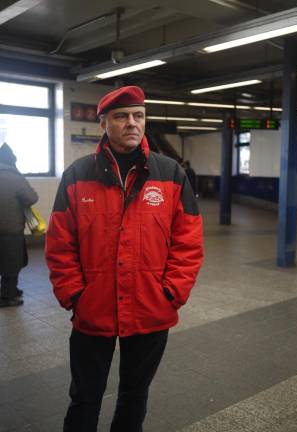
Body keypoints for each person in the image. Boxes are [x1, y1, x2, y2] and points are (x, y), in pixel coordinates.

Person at [45, 85, 204, 432]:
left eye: (138, 116)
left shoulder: (172, 175)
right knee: (85, 396)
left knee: (135, 395)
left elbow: (188, 243)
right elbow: (59, 244)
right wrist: (75, 295)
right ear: (104, 123)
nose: (132, 123)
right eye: (121, 116)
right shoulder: (77, 175)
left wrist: (170, 295)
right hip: (93, 311)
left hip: (150, 311)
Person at [0, 143, 38, 307]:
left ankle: (11, 290)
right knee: (12, 262)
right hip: (10, 228)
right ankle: (7, 296)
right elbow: (31, 198)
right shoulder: (15, 177)